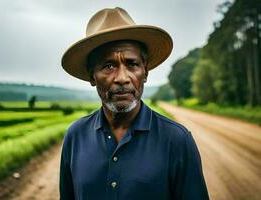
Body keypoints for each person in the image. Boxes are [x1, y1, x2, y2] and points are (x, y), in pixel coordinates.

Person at [59, 7, 209, 200]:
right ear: (92, 76)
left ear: (145, 73)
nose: (122, 78)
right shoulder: (75, 136)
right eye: (109, 65)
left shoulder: (177, 140)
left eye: (132, 64)